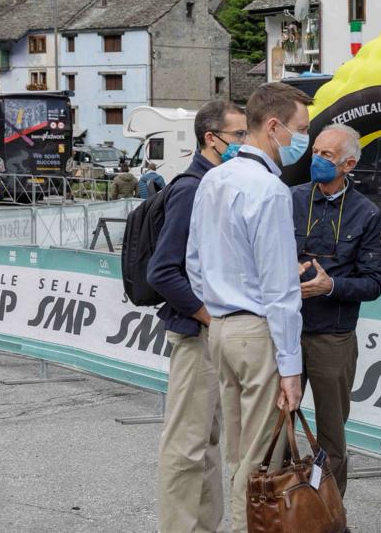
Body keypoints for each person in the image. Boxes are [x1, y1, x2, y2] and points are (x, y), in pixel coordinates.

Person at [186, 83, 311, 533]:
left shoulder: (214, 178)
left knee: (240, 450)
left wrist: (217, 304)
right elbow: (280, 289)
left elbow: (194, 261)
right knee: (260, 459)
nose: (304, 139)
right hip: (257, 330)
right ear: (274, 127)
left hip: (220, 326)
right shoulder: (270, 190)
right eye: (301, 129)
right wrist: (291, 367)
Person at [148, 100, 246, 533]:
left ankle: (204, 525)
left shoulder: (216, 182)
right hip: (196, 333)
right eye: (238, 135)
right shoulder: (193, 188)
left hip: (207, 331)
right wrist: (210, 318)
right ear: (211, 138)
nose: (244, 142)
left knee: (207, 441)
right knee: (187, 445)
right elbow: (162, 271)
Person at [293, 123, 381, 497]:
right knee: (275, 425)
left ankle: (328, 511)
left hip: (333, 337)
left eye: (327, 155)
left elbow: (374, 282)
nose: (317, 159)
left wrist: (330, 286)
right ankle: (278, 509)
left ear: (348, 164)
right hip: (285, 330)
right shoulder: (290, 199)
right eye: (315, 151)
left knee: (331, 434)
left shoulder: (367, 214)